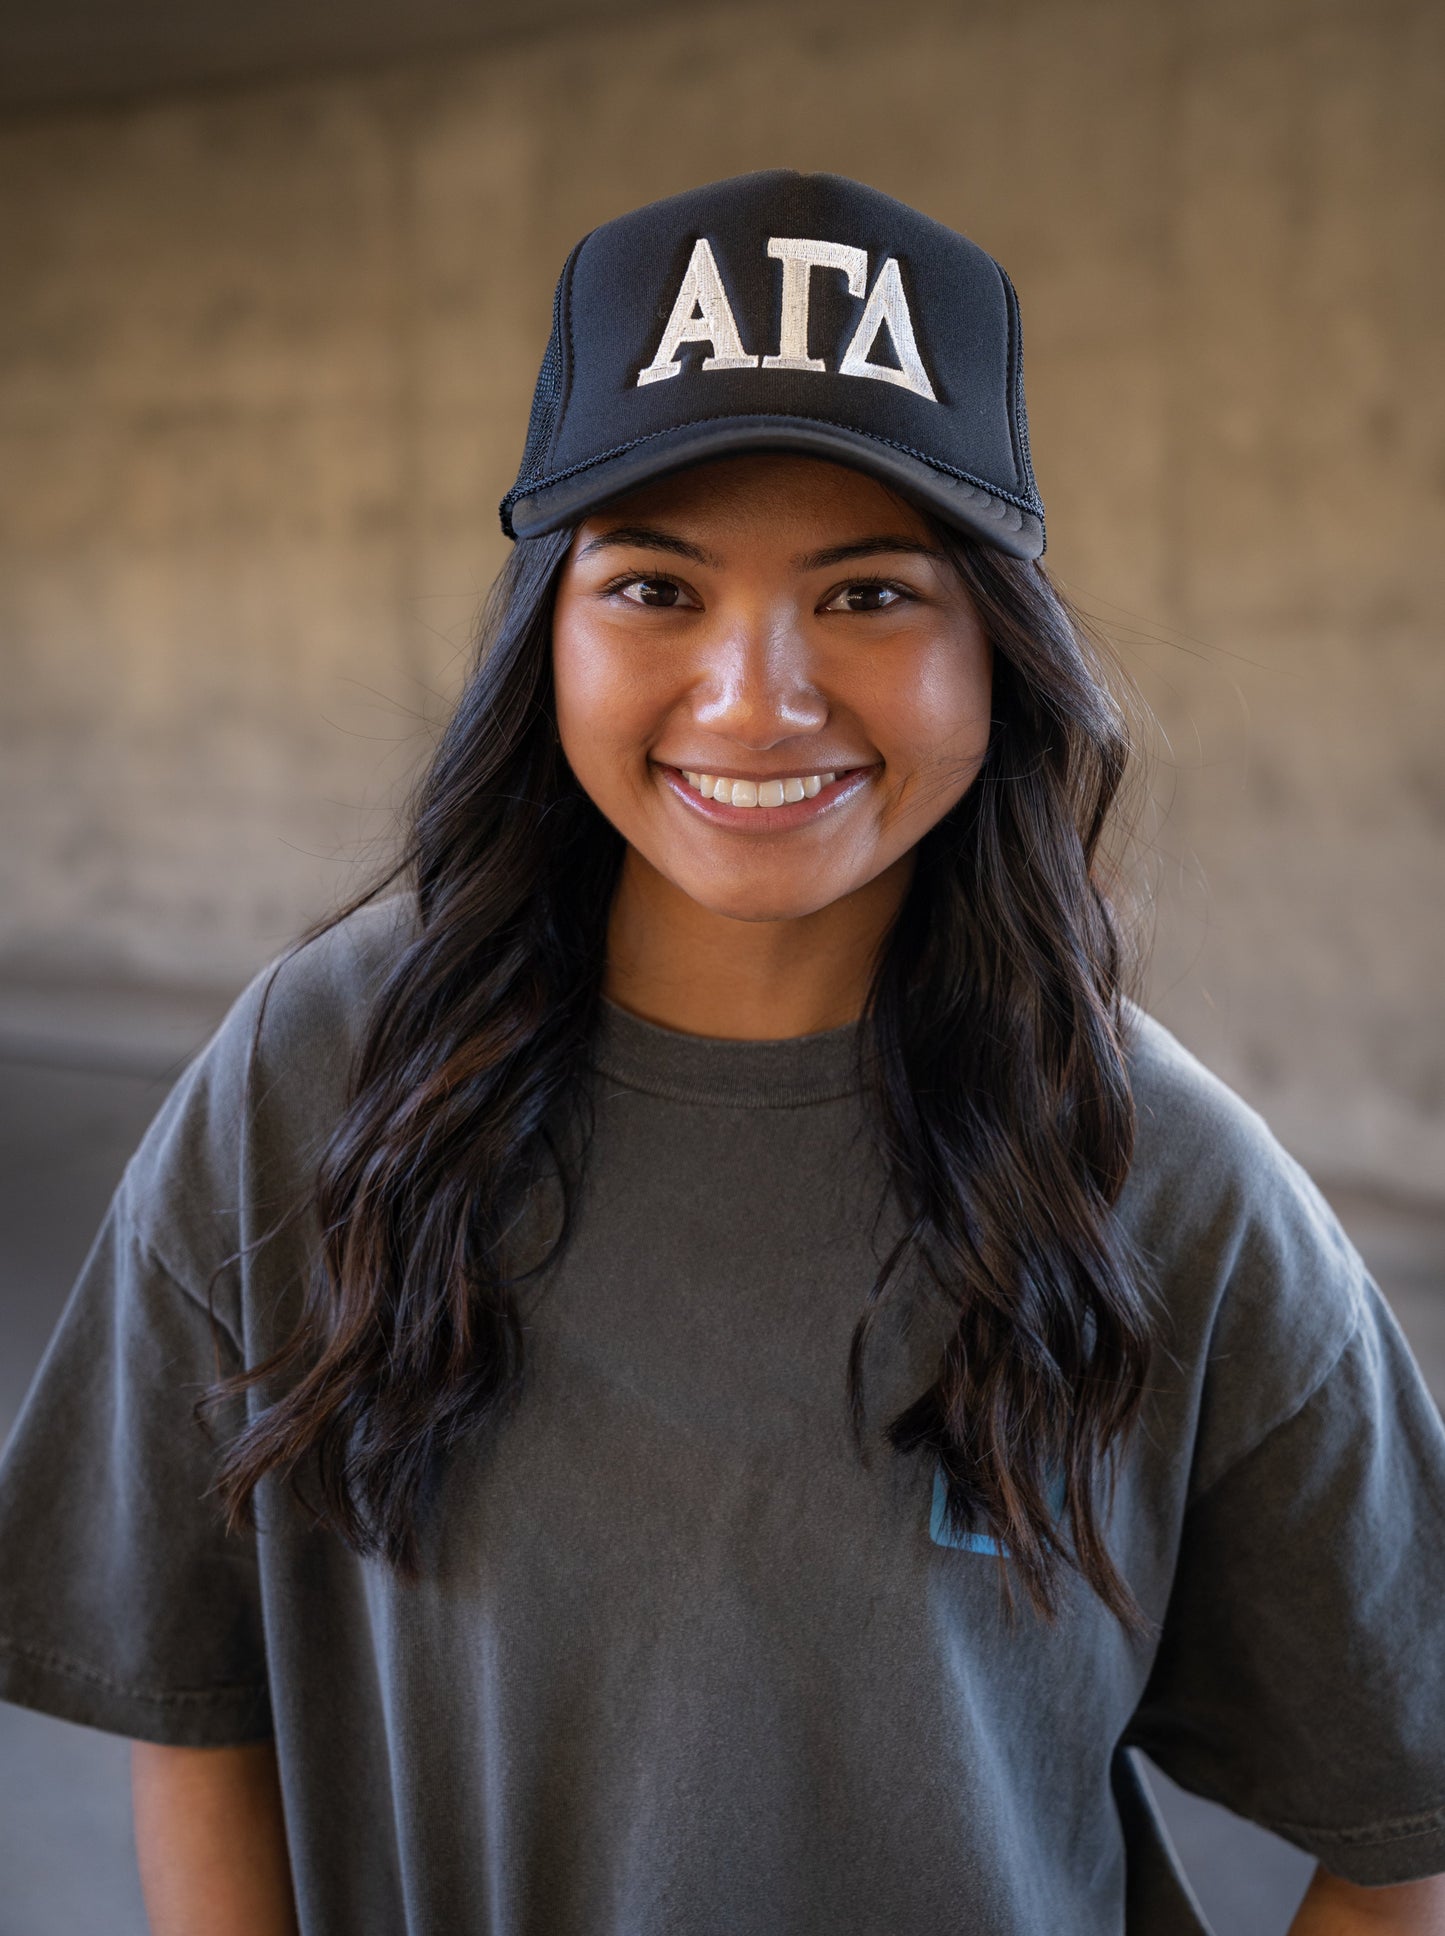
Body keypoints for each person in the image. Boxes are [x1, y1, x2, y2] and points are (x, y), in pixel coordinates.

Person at [1, 169, 1443, 1936]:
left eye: (866, 596)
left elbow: (1399, 1823)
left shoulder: (1158, 1171)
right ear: (548, 636)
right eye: (658, 588)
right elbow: (191, 1693)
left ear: (998, 652)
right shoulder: (318, 1081)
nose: (756, 697)